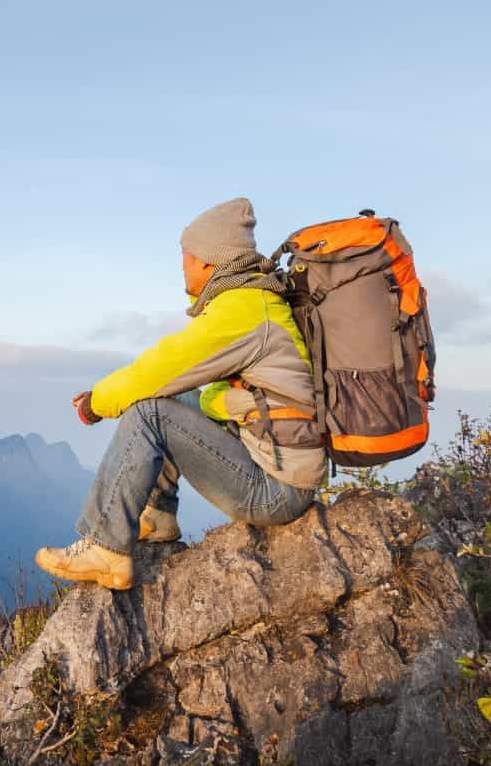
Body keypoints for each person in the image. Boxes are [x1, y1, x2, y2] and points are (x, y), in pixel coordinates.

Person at [35, 198, 326, 590]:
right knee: (170, 401)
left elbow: (162, 367)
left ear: (210, 261)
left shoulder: (243, 310)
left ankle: (104, 548)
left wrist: (96, 403)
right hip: (275, 466)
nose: (182, 266)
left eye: (186, 257)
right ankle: (157, 515)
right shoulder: (251, 302)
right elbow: (178, 381)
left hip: (278, 491)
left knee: (151, 411)